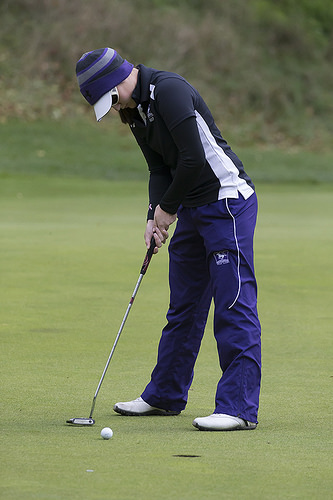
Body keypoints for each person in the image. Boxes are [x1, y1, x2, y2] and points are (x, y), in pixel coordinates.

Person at [76, 47, 261, 431]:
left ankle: (238, 407)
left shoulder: (169, 90)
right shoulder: (136, 111)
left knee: (232, 303)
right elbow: (158, 167)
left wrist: (168, 210)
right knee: (184, 306)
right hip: (191, 207)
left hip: (226, 201)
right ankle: (164, 395)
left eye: (109, 100)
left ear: (116, 82)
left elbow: (193, 157)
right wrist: (152, 216)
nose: (112, 109)